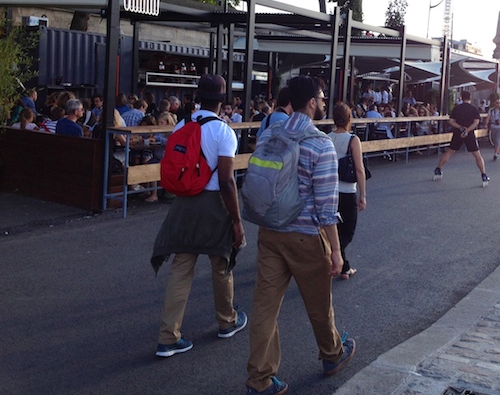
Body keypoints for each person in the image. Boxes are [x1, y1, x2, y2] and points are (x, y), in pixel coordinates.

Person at [246, 76, 355, 395]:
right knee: (319, 305)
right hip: (306, 235)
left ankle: (260, 378)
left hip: (270, 232)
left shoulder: (269, 135)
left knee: (265, 307)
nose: (323, 104)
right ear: (312, 102)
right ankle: (332, 355)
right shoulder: (319, 144)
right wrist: (336, 250)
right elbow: (325, 206)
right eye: (321, 99)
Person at [151, 74, 247, 358]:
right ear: (223, 99)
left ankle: (168, 336)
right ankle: (227, 321)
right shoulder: (223, 131)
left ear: (198, 96)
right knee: (221, 264)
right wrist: (237, 220)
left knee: (182, 267)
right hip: (214, 204)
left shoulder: (183, 124)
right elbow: (228, 181)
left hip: (184, 202)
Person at [327, 102, 367, 280]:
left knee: (333, 229)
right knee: (348, 231)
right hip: (347, 191)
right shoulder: (353, 140)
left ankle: (344, 266)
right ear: (350, 118)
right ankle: (333, 259)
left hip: (329, 190)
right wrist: (363, 194)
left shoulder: (326, 137)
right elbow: (359, 169)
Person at [433, 91, 489, 186]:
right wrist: (467, 130)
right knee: (477, 155)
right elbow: (476, 122)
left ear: (461, 98)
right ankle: (483, 175)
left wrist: (460, 127)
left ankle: (438, 169)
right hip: (469, 133)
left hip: (458, 132)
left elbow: (451, 121)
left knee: (450, 151)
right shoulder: (474, 109)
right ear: (470, 98)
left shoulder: (457, 108)